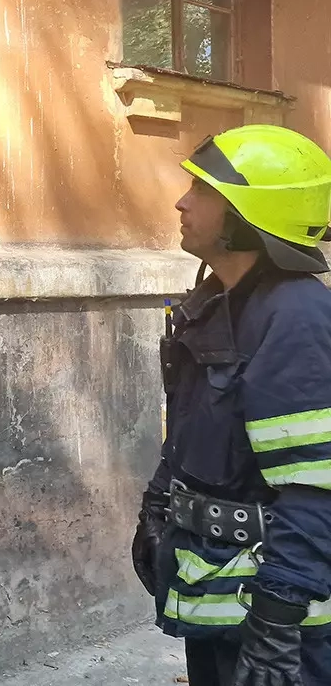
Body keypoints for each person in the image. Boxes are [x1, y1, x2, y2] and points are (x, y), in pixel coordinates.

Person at [131, 125, 331, 686]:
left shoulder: (297, 318)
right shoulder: (216, 304)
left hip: (285, 631)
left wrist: (275, 627)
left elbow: (315, 487)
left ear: (247, 218)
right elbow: (192, 430)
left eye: (203, 191)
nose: (181, 201)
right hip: (218, 609)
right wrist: (157, 507)